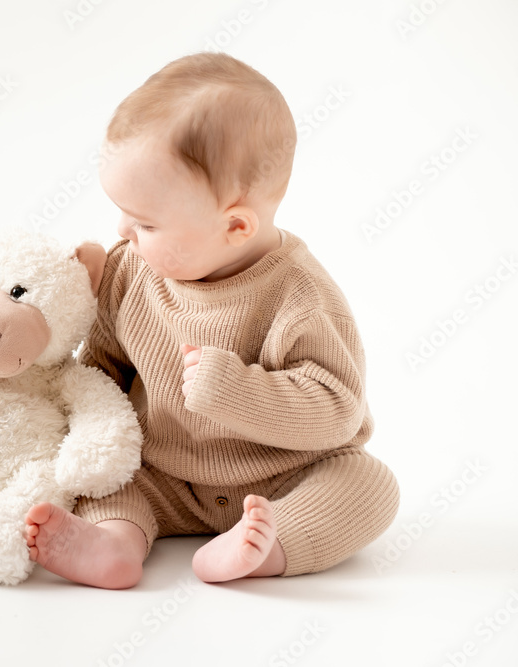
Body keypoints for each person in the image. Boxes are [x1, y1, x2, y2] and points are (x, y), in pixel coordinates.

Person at [24, 52, 399, 588]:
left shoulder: (299, 295)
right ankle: (115, 539)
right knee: (104, 471)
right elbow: (102, 376)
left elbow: (339, 410)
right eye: (124, 213)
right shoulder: (130, 271)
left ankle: (272, 544)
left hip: (281, 477)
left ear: (236, 226)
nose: (124, 230)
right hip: (165, 474)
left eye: (147, 222)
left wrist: (237, 390)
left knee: (368, 485)